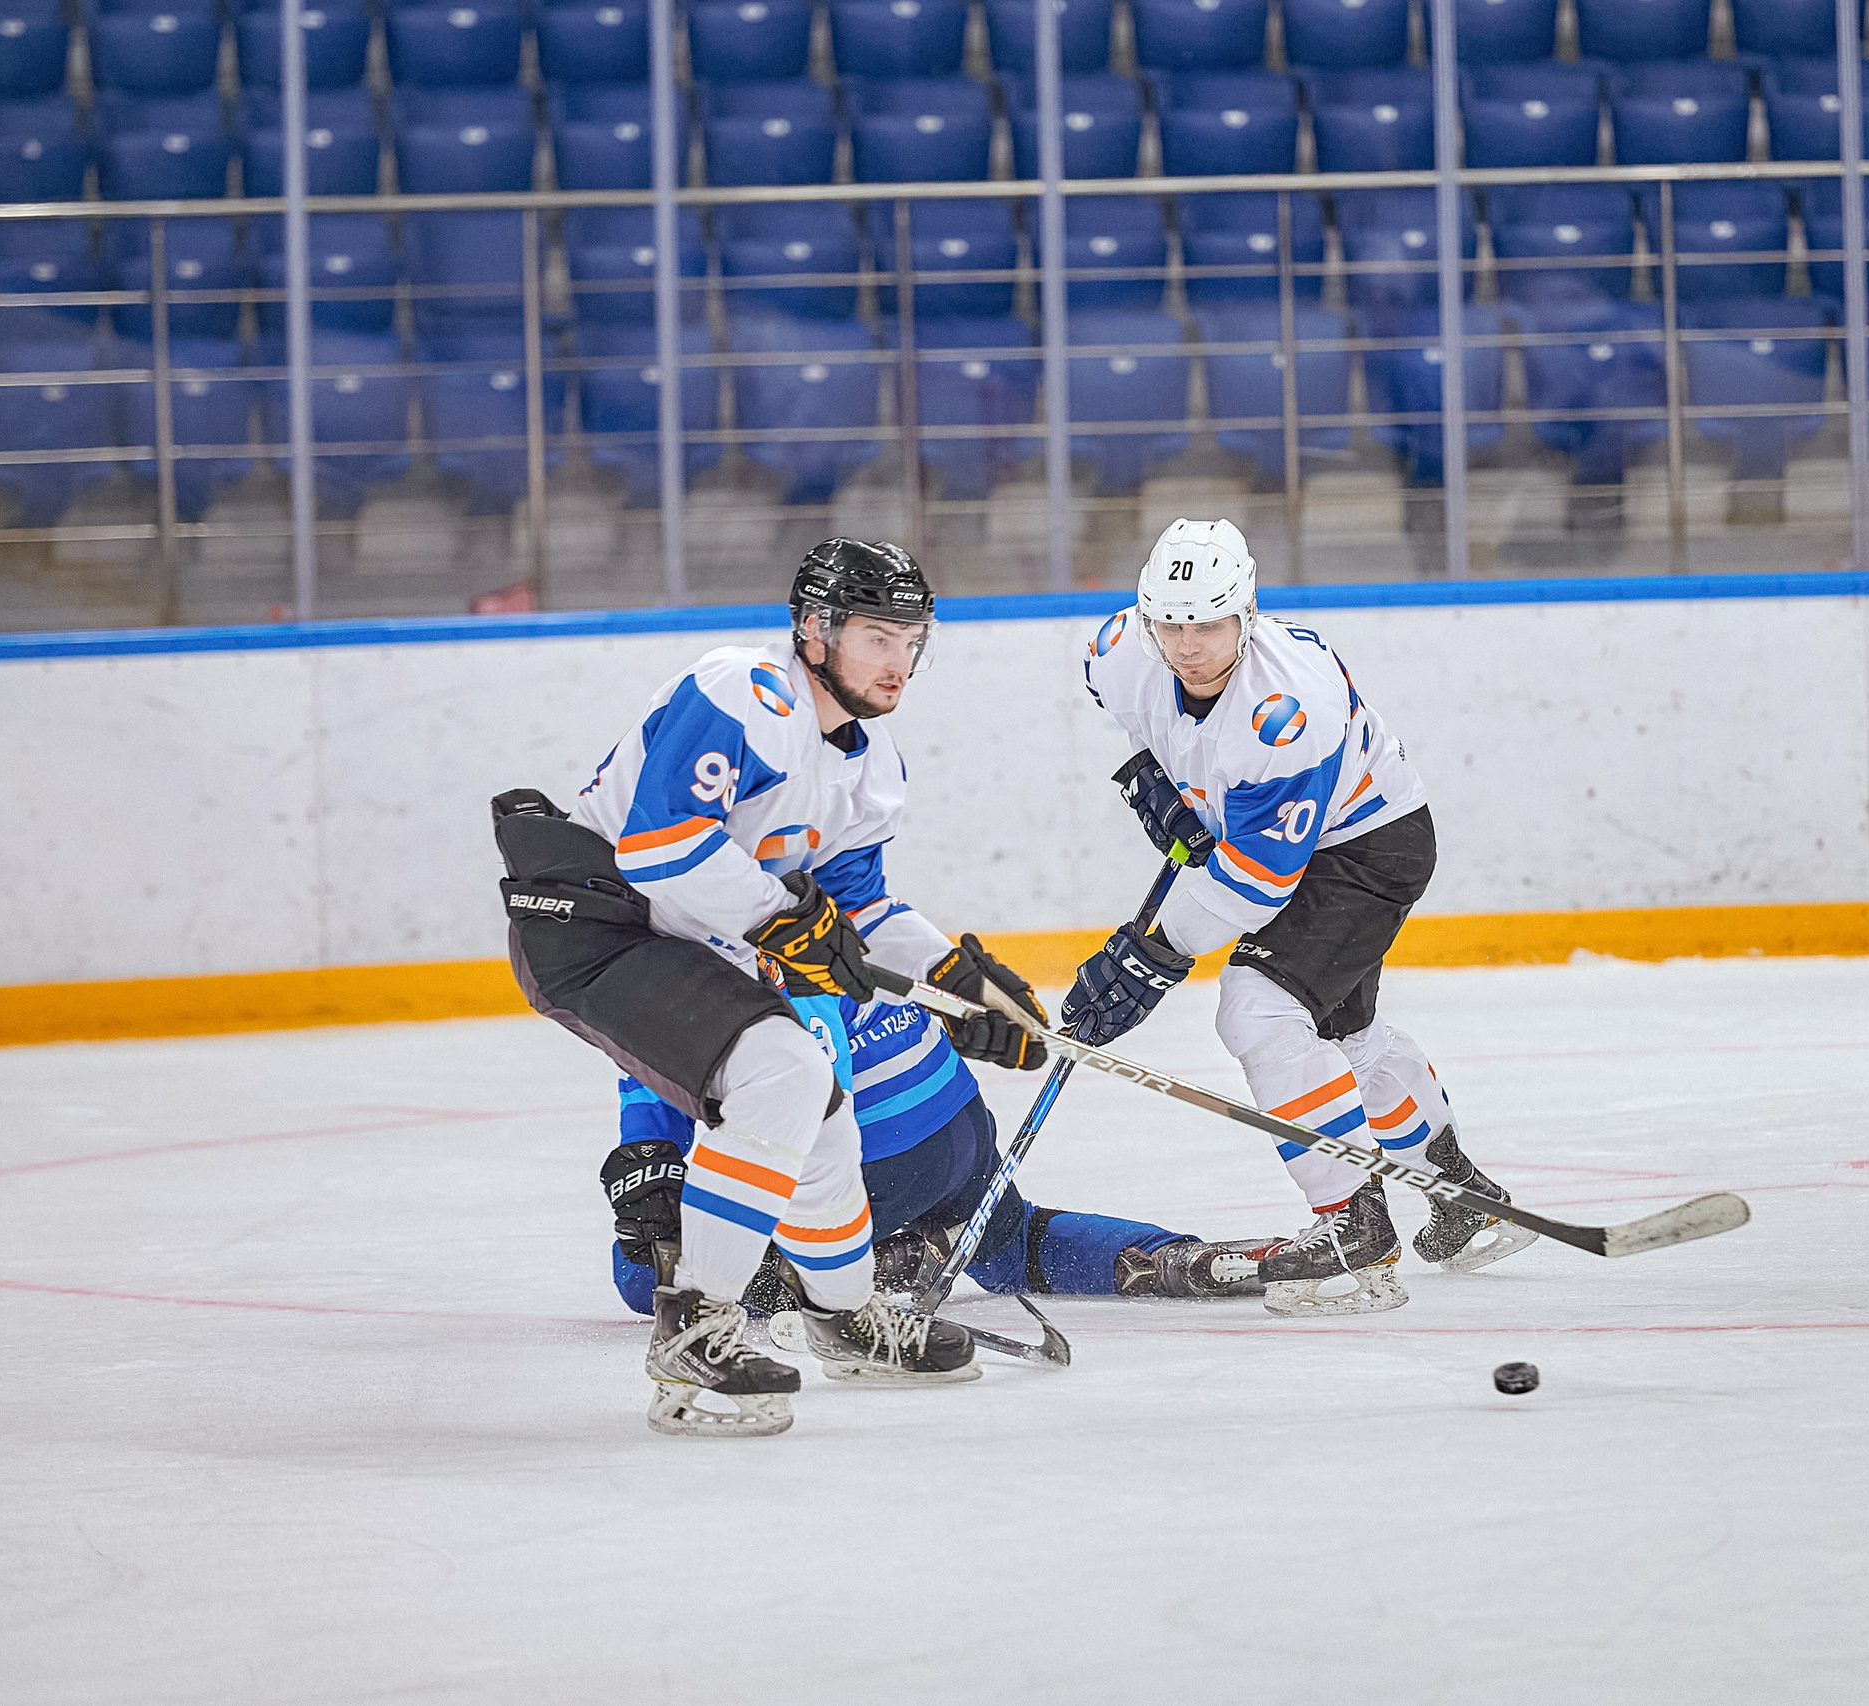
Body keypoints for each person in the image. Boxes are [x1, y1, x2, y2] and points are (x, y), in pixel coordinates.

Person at [496, 540, 1005, 1438]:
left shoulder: (870, 765)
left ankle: (845, 1317)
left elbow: (859, 905)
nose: (898, 662)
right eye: (877, 638)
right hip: (598, 930)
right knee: (784, 1074)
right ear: (814, 629)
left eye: (911, 641)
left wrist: (957, 979)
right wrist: (784, 918)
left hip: (686, 940)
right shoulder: (743, 691)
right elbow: (661, 845)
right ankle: (693, 1331)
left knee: (819, 1107)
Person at [1062, 517, 1535, 1317]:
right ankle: (1461, 1196)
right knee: (1343, 1042)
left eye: (1207, 625)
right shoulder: (1118, 651)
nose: (1186, 646)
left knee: (1259, 1010)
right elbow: (1146, 724)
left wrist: (1153, 953)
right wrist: (1159, 781)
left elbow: (1254, 884)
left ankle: (1353, 1227)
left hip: (1367, 846)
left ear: (1246, 613)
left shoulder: (1286, 706)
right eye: (1169, 625)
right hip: (1286, 839)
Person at [600, 979, 1285, 1322]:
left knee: (646, 1272)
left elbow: (807, 1096)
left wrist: (670, 1187)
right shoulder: (794, 886)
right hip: (959, 1130)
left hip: (879, 1155)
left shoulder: (689, 947)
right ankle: (1174, 1260)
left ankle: (883, 1261)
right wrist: (652, 1154)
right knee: (1008, 1242)